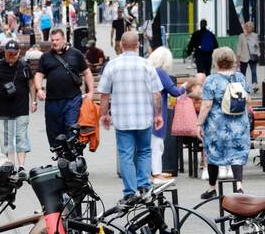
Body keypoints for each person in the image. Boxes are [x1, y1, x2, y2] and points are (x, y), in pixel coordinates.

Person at [98, 31, 163, 197]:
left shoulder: (112, 65)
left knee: (126, 155)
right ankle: (144, 186)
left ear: (121, 45)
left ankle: (129, 191)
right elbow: (156, 94)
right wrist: (158, 115)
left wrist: (104, 114)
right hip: (144, 117)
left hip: (122, 119)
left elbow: (104, 94)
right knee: (144, 151)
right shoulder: (147, 65)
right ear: (138, 45)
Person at [197, 47, 252, 200]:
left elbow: (206, 105)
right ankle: (239, 187)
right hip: (239, 125)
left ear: (216, 61)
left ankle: (212, 188)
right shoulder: (240, 77)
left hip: (217, 126)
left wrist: (198, 124)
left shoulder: (211, 80)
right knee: (237, 155)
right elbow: (248, 100)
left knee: (213, 153)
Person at [34, 26, 94, 149]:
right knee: (54, 133)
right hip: (52, 102)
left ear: (64, 39)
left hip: (72, 100)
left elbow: (87, 73)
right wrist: (39, 89)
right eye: (53, 40)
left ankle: (74, 160)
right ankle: (61, 160)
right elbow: (39, 74)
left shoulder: (75, 54)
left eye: (57, 40)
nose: (54, 42)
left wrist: (91, 92)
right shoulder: (46, 57)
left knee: (71, 130)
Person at [0, 38, 35, 168]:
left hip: (21, 108)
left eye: (14, 53)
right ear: (4, 52)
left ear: (19, 52)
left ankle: (22, 166)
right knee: (6, 140)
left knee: (21, 137)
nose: (11, 56)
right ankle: (11, 165)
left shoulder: (24, 66)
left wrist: (33, 101)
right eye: (9, 53)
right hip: (2, 109)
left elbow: (31, 84)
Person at [148, 45, 186, 180]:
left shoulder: (148, 70)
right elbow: (174, 91)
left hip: (145, 112)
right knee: (157, 144)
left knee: (148, 145)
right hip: (158, 112)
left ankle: (150, 172)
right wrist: (186, 85)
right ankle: (157, 172)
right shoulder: (160, 73)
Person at [237, 21, 260, 87]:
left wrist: (258, 54)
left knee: (254, 72)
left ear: (252, 28)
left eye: (250, 26)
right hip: (244, 57)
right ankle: (243, 84)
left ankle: (254, 84)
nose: (249, 27)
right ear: (245, 27)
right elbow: (239, 47)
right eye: (247, 26)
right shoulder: (241, 36)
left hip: (253, 56)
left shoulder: (255, 35)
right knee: (243, 72)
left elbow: (257, 46)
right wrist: (238, 58)